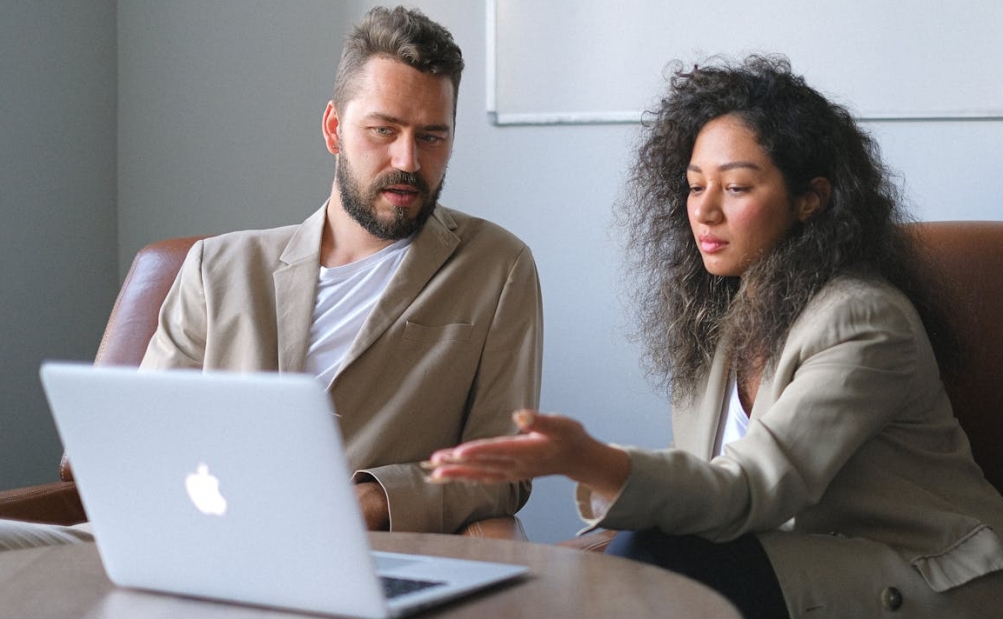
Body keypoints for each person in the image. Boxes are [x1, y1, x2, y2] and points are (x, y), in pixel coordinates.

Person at [427, 55, 1003, 618]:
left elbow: (752, 487)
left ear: (811, 200)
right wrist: (563, 565)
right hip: (792, 560)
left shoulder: (863, 320)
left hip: (923, 576)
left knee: (658, 559)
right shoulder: (719, 319)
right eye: (694, 184)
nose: (703, 211)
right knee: (615, 568)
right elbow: (699, 501)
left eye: (736, 188)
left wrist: (590, 460)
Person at [1, 5, 540, 550]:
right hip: (181, 535)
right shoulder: (218, 267)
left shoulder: (496, 266)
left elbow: (506, 466)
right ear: (334, 128)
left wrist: (377, 501)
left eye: (431, 137)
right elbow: (145, 440)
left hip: (349, 552)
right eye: (383, 130)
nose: (408, 158)